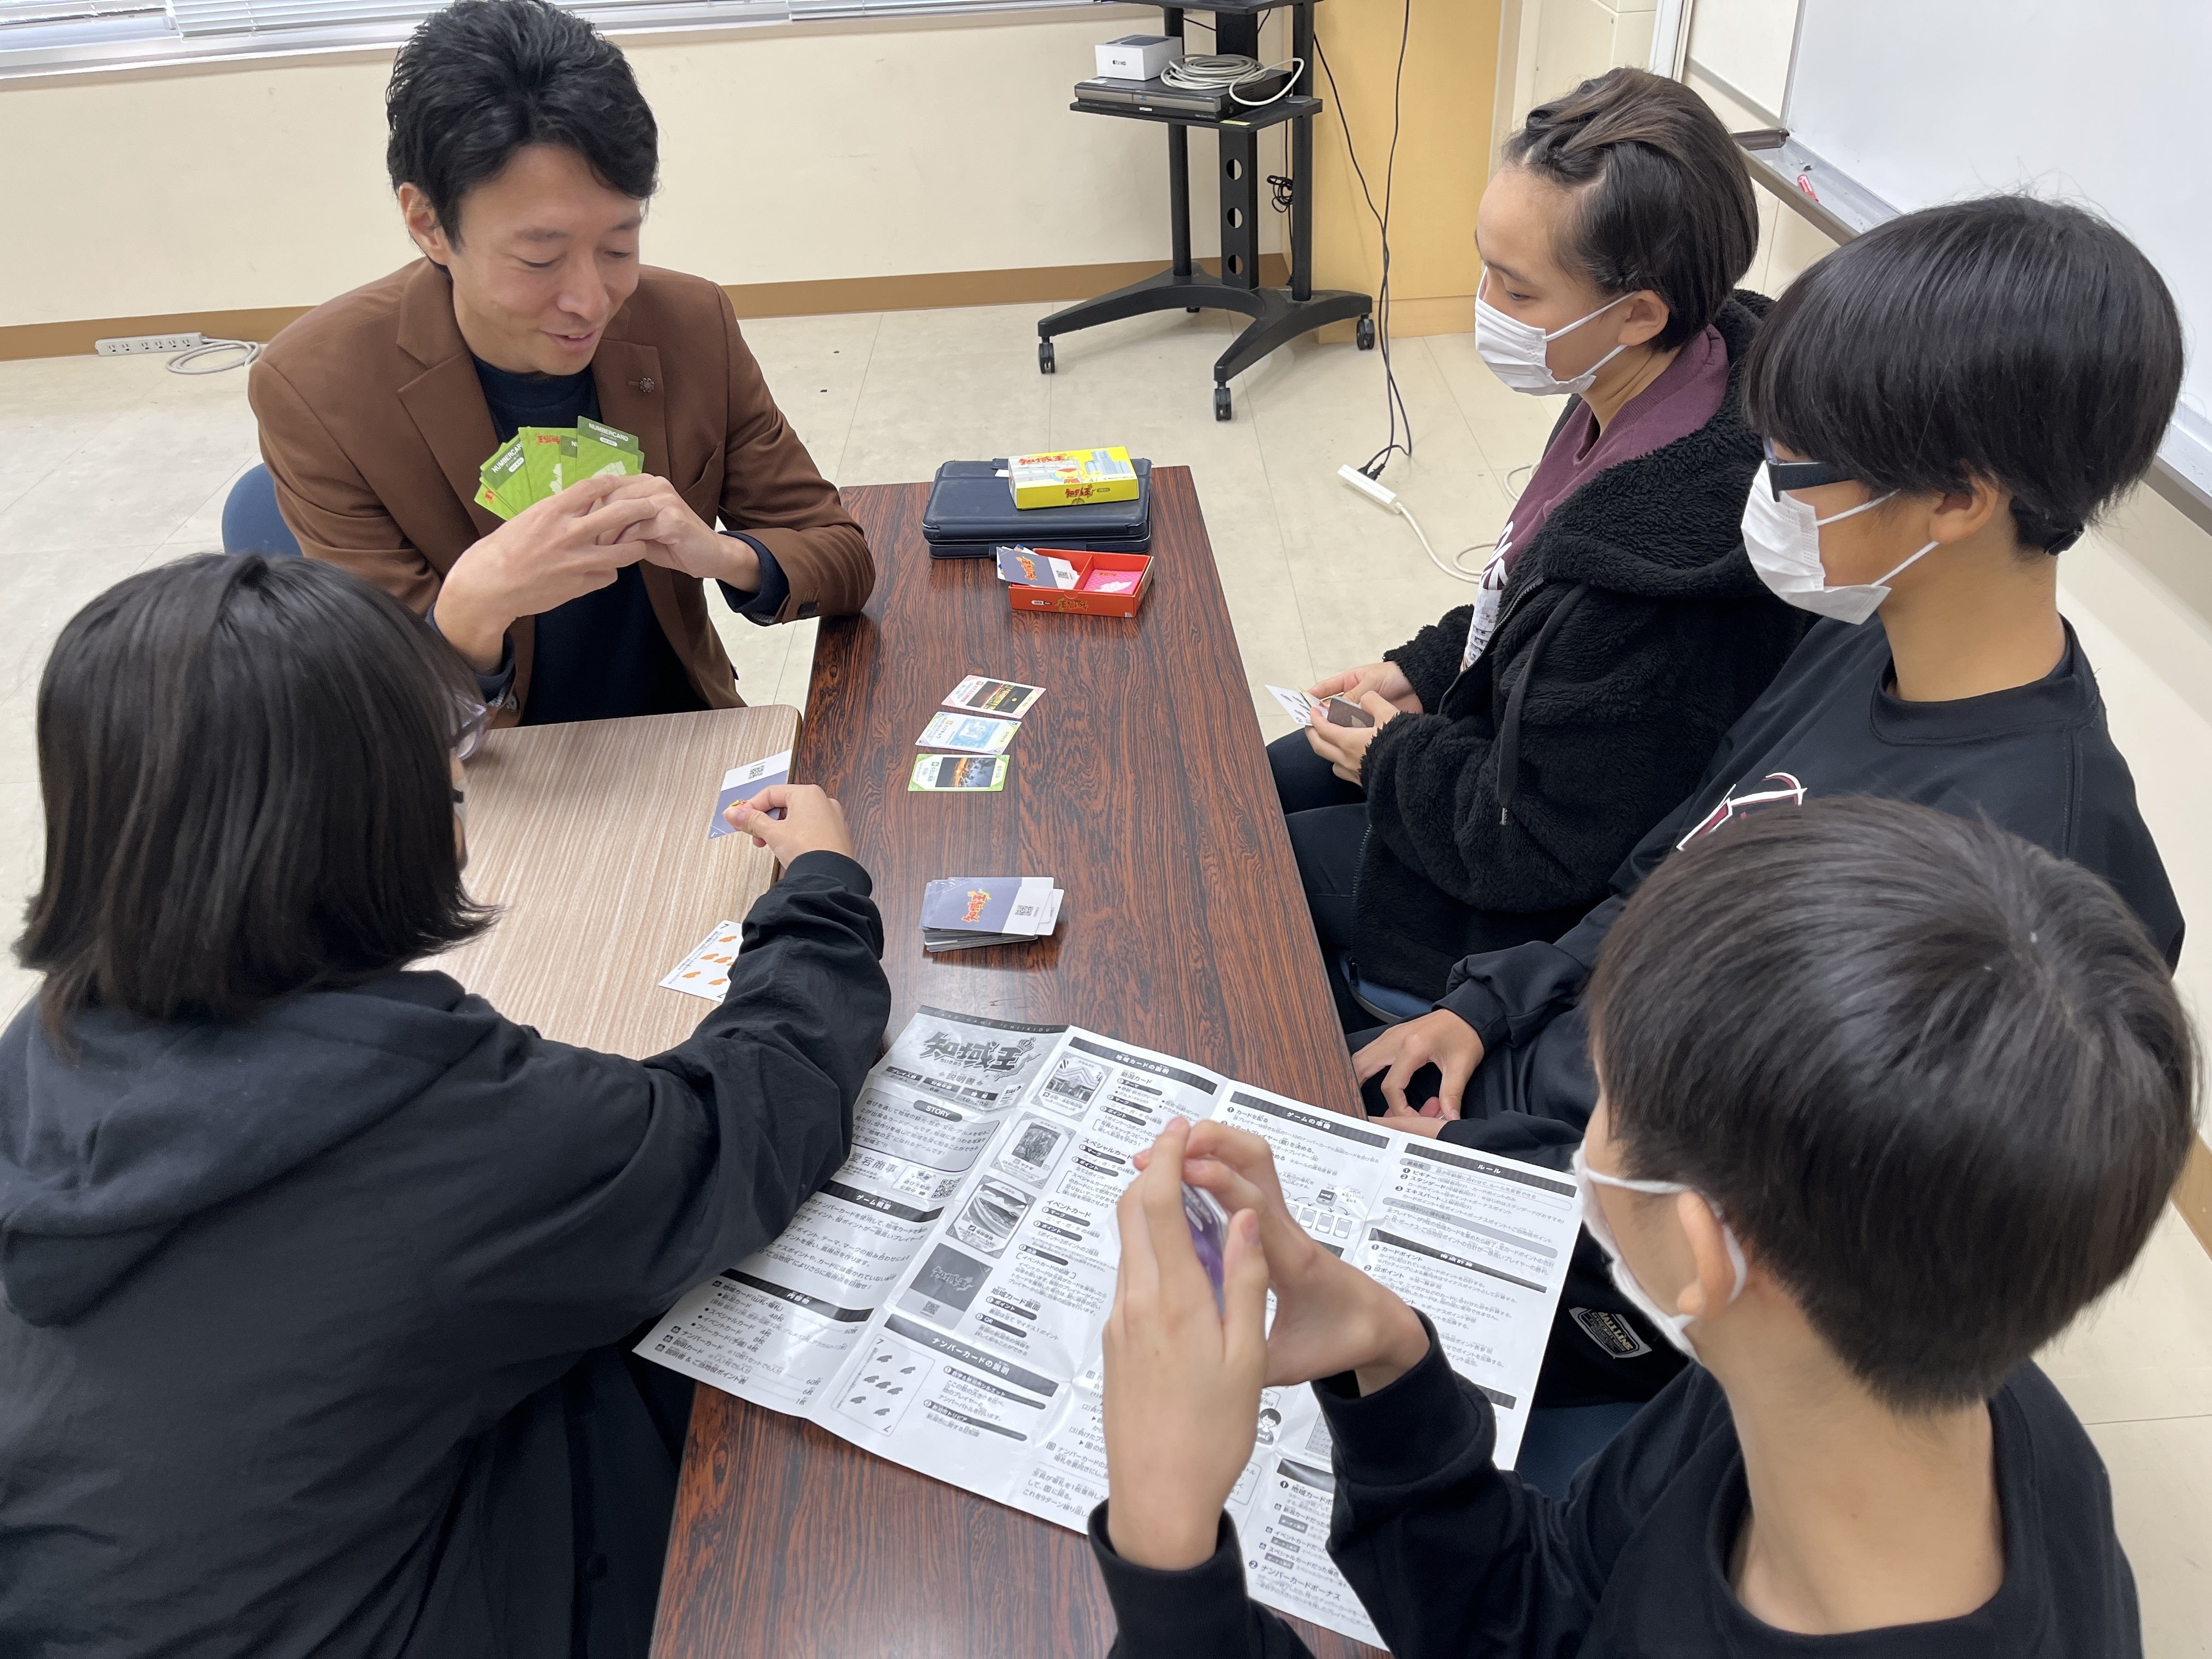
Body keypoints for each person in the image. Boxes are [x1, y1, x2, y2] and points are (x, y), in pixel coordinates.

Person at [1352, 194, 2188, 1400]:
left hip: (1628, 1265)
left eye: (1792, 465)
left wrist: (1493, 1174)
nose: (1763, 492)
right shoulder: (1864, 632)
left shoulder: (2038, 871)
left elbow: (1799, 1240)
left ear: (1958, 498)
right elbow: (1674, 864)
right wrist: (1492, 1004)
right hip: (1531, 1096)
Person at [0, 555, 889, 1658]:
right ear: (402, 816)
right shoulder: (442, 1118)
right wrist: (822, 890)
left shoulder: (44, 1043)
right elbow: (746, 1124)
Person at [1092, 799, 2197, 1658]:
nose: (1580, 1131)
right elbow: (1546, 1614)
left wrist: (1166, 1542)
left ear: (1706, 1250)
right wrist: (1383, 1357)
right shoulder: (1848, 1369)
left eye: (1603, 1095)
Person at [1274, 68, 1809, 1024]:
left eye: (1516, 290)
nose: (1481, 305)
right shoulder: (1658, 370)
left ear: (1638, 311)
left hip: (1518, 895)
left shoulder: (1666, 588)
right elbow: (1539, 588)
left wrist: (1392, 759)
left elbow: (1536, 847)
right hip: (1492, 759)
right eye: (1486, 267)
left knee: (1249, 860)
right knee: (1257, 779)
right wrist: (1426, 668)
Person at [249, 0, 871, 727]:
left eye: (619, 246)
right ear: (428, 224)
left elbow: (841, 556)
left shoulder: (690, 324)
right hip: (479, 766)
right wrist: (470, 610)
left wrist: (722, 554)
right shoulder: (318, 387)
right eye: (540, 258)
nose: (591, 301)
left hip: (679, 736)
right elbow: (372, 697)